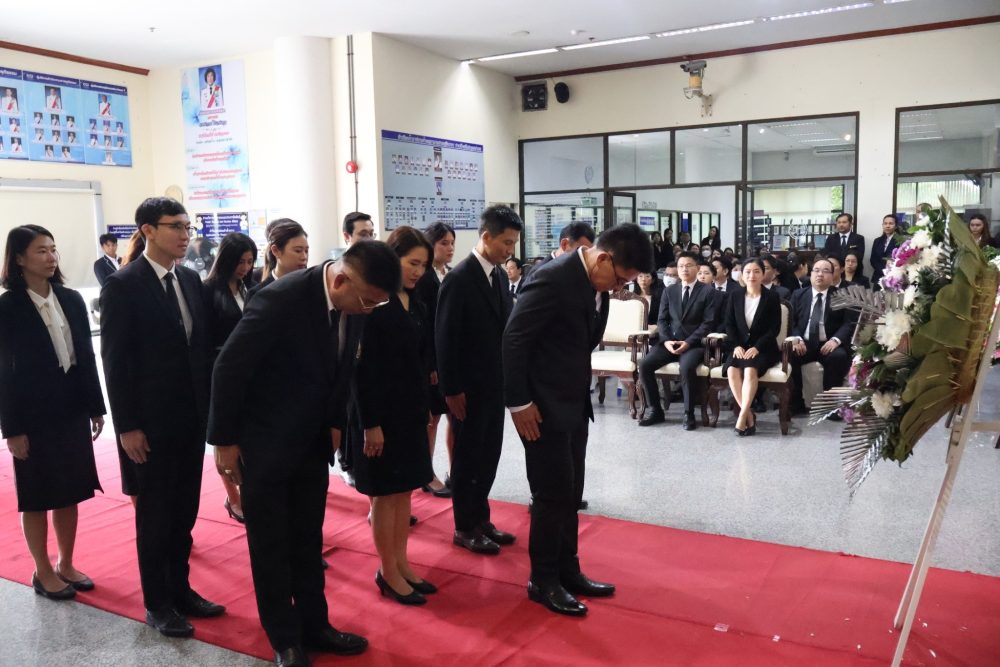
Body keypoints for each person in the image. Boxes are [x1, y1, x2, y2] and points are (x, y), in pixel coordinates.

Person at [208, 242, 401, 666]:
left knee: (308, 539)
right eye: (368, 301)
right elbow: (229, 367)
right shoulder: (281, 298)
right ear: (341, 280)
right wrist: (224, 441)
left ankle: (316, 625)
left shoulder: (356, 302)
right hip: (266, 440)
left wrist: (335, 423)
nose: (370, 310)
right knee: (271, 542)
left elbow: (343, 366)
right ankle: (284, 637)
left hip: (313, 441)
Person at [504, 223, 652, 617]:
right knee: (550, 494)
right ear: (603, 258)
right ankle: (543, 579)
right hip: (540, 407)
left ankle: (568, 570)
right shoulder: (551, 278)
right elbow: (514, 339)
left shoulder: (595, 283)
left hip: (573, 403)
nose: (619, 289)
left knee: (570, 492)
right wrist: (519, 403)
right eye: (619, 280)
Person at [100, 197, 223, 638]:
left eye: (188, 227)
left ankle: (181, 589)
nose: (185, 235)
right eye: (176, 226)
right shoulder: (124, 285)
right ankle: (157, 602)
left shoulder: (189, 279)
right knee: (155, 515)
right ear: (148, 230)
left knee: (185, 511)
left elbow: (199, 351)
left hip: (190, 419)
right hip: (149, 425)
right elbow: (115, 362)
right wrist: (128, 427)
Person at [0, 225, 106, 601]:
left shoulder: (71, 298)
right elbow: (3, 372)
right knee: (37, 494)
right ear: (19, 258)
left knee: (70, 489)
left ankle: (66, 562)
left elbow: (86, 356)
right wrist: (12, 429)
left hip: (70, 408)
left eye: (53, 249)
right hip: (32, 415)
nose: (50, 257)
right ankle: (42, 570)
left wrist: (96, 407)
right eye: (41, 251)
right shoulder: (8, 307)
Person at [352, 227, 437, 606]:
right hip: (381, 416)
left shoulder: (414, 302)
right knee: (385, 496)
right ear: (392, 260)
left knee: (404, 493)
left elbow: (418, 362)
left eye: (423, 265)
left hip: (409, 412)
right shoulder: (374, 303)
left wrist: (424, 407)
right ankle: (387, 570)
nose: (418, 271)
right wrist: (371, 424)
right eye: (412, 263)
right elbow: (362, 371)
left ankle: (402, 563)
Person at [436, 205, 521, 555]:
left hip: (494, 383)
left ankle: (481, 518)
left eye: (513, 243)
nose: (510, 251)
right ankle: (464, 526)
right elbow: (444, 338)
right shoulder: (459, 279)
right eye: (506, 242)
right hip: (467, 388)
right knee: (468, 457)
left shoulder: (499, 275)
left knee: (489, 455)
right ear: (486, 236)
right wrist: (452, 389)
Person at [201, 233, 257, 524]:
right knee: (223, 437)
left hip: (248, 374)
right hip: (218, 371)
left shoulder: (250, 287)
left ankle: (244, 492)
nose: (245, 267)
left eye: (249, 261)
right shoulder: (209, 290)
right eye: (240, 262)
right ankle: (233, 497)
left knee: (244, 438)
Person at [638, 252, 717, 430]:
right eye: (681, 266)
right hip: (669, 342)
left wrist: (688, 342)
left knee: (687, 367)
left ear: (697, 268)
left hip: (693, 344)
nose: (684, 269)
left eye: (688, 265)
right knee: (644, 365)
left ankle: (689, 413)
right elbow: (662, 320)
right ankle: (656, 410)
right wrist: (666, 340)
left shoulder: (708, 292)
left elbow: (708, 323)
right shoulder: (669, 291)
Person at [415, 221, 455, 498]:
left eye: (452, 243)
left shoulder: (450, 274)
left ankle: (455, 469)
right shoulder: (424, 278)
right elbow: (426, 325)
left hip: (450, 357)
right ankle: (426, 473)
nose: (450, 248)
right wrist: (431, 364)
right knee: (432, 419)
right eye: (444, 243)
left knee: (455, 416)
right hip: (431, 359)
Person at [788, 257, 857, 416]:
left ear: (833, 276)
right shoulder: (798, 295)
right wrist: (797, 339)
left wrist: (835, 340)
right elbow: (792, 322)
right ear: (811, 274)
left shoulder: (841, 296)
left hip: (828, 343)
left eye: (826, 271)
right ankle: (796, 403)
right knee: (790, 354)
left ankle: (830, 406)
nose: (820, 274)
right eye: (817, 270)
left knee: (839, 357)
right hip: (804, 342)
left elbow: (848, 323)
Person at [722, 259, 781, 437]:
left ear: (763, 274)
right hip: (740, 347)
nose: (751, 275)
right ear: (742, 274)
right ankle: (748, 414)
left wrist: (757, 347)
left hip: (763, 348)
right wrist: (736, 345)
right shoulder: (734, 295)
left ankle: (742, 417)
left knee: (749, 370)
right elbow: (729, 324)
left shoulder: (771, 297)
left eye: (756, 271)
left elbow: (774, 329)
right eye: (747, 271)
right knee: (732, 369)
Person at [246, 220, 308, 302]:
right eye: (298, 251)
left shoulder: (313, 287)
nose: (304, 257)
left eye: (306, 251)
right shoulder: (257, 295)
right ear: (275, 251)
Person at [870, 214, 901, 287]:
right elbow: (873, 260)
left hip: (894, 278)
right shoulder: (877, 241)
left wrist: (889, 272)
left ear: (896, 226)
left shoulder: (901, 241)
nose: (887, 226)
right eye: (885, 223)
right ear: (882, 225)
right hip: (878, 277)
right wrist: (883, 271)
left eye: (891, 223)